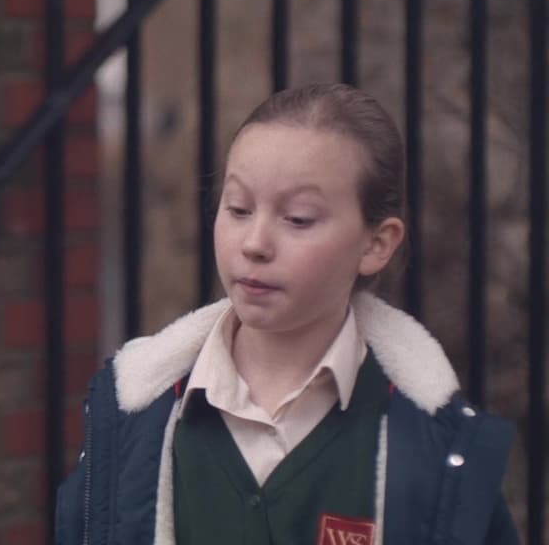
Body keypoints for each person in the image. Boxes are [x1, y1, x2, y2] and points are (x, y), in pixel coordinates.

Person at [55, 83, 519, 545]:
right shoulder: (133, 419)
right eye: (238, 209)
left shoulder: (437, 447)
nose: (255, 243)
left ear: (377, 244)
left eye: (298, 218)